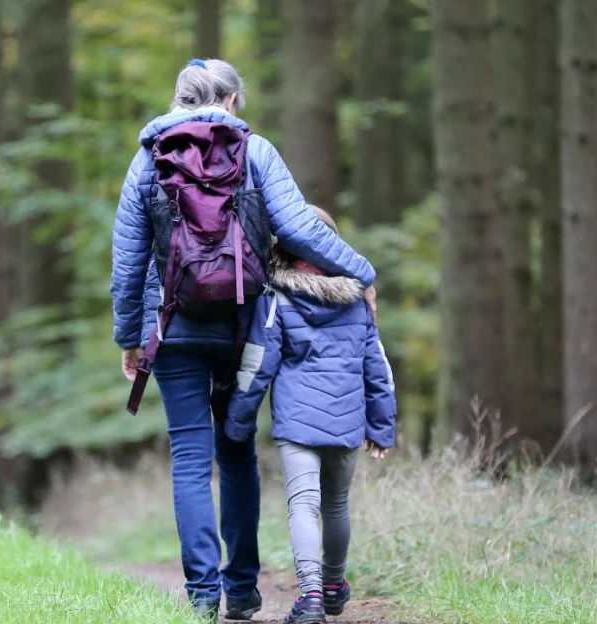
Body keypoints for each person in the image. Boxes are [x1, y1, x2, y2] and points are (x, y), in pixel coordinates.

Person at [110, 59, 378, 622]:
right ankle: (244, 590)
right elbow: (301, 228)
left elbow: (128, 260)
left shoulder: (147, 160)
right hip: (244, 326)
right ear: (231, 100)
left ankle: (203, 595)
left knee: (189, 457)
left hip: (174, 326)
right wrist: (362, 273)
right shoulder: (256, 152)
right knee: (236, 453)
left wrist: (130, 338)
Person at [225, 207, 396, 624]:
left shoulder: (277, 298)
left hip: (298, 422)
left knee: (303, 504)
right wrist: (382, 426)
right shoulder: (357, 299)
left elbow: (257, 363)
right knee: (336, 504)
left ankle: (312, 598)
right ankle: (335, 585)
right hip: (348, 419)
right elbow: (378, 368)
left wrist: (238, 420)